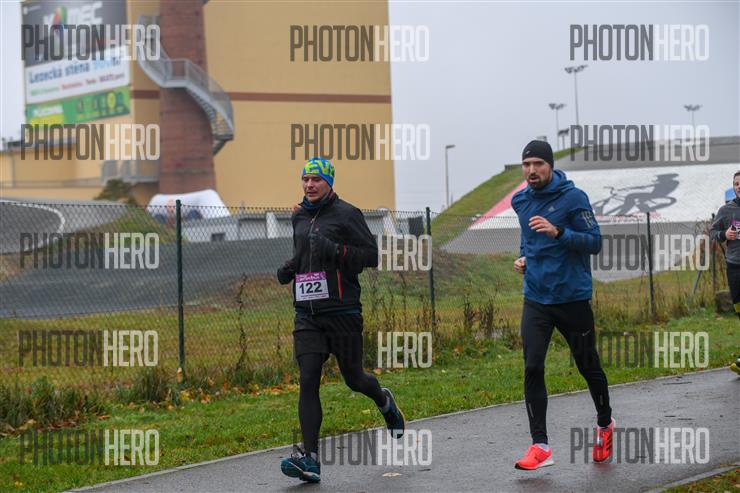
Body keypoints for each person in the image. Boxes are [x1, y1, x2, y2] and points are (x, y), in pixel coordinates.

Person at [277, 157, 405, 483]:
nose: (309, 185)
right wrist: (290, 267)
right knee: (308, 378)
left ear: (329, 182)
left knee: (354, 379)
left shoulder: (348, 214)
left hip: (343, 312)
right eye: (305, 179)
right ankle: (310, 460)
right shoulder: (299, 216)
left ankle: (384, 401)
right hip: (307, 314)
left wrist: (334, 249)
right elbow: (305, 253)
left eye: (316, 179)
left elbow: (371, 256)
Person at [511, 140, 614, 470]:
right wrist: (524, 258)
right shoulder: (520, 201)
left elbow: (594, 242)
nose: (531, 170)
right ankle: (540, 446)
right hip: (536, 298)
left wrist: (559, 232)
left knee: (588, 365)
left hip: (571, 297)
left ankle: (605, 423)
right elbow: (528, 239)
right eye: (526, 164)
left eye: (538, 164)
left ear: (550, 166)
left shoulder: (574, 198)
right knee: (532, 367)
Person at [709, 170, 740, 374]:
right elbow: (712, 233)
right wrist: (724, 234)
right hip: (735, 267)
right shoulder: (727, 210)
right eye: (736, 184)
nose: (739, 186)